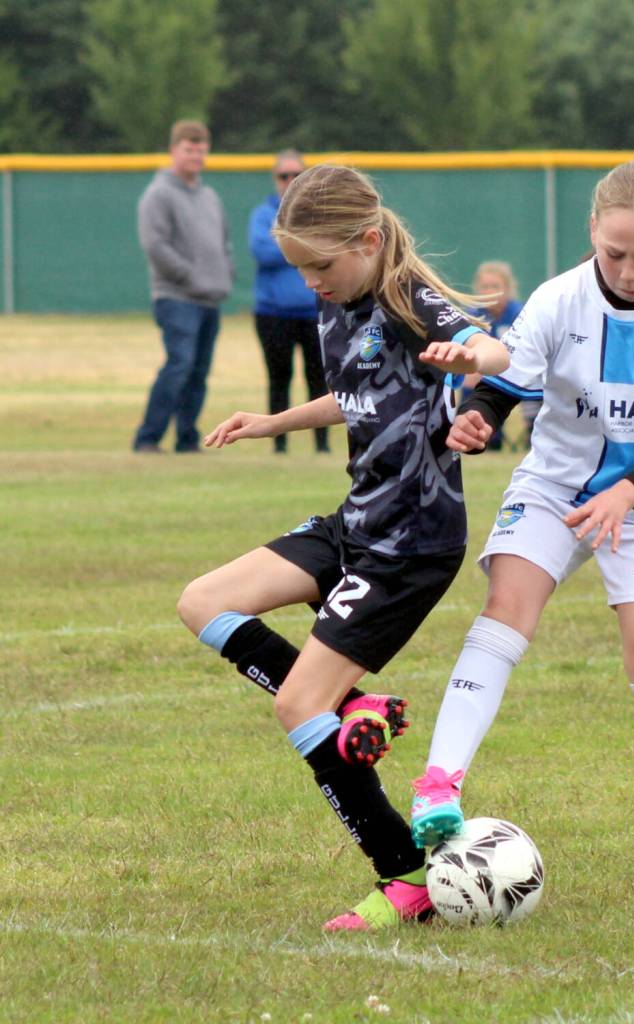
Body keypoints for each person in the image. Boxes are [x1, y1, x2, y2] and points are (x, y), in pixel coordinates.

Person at [175, 164, 509, 931]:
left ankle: (405, 878)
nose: (310, 283)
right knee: (203, 601)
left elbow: (494, 352)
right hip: (356, 523)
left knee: (297, 705)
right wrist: (273, 421)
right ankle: (356, 708)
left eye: (320, 266)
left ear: (366, 241)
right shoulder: (342, 301)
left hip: (410, 543)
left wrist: (471, 360)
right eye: (298, 269)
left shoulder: (405, 299)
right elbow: (358, 396)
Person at [408, 160, 634, 919]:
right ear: (593, 231)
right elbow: (503, 386)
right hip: (554, 487)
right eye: (613, 251)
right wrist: (478, 419)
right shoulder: (558, 299)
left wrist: (627, 492)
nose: (625, 269)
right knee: (507, 605)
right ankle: (439, 783)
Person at [133, 120, 234, 453]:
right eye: (189, 150)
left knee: (199, 371)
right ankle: (148, 438)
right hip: (177, 297)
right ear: (173, 150)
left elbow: (224, 242)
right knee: (179, 365)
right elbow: (156, 246)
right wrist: (192, 277)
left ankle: (187, 437)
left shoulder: (209, 196)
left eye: (201, 150)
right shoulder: (158, 194)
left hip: (209, 299)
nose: (196, 156)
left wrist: (224, 274)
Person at [248, 149, 330, 454]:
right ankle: (278, 445)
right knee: (279, 377)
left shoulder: (319, 214)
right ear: (276, 179)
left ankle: (321, 445)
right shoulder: (263, 214)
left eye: (297, 175)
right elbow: (262, 251)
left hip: (315, 310)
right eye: (284, 176)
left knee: (319, 380)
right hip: (273, 312)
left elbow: (327, 249)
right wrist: (303, 245)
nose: (290, 181)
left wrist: (287, 243)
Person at [463, 261, 525, 451]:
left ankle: (532, 432)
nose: (490, 291)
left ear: (508, 289)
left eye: (495, 286)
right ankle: (481, 436)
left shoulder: (520, 313)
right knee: (471, 376)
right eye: (485, 287)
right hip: (487, 371)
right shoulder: (474, 316)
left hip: (519, 368)